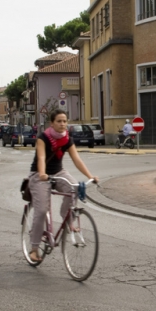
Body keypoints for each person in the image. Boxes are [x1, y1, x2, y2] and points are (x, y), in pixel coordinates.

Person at [27, 109, 98, 263]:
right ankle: (34, 249)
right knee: (41, 210)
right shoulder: (43, 138)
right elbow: (41, 157)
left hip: (58, 172)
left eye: (65, 121)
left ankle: (67, 220)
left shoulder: (67, 139)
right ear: (52, 123)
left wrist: (90, 176)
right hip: (39, 175)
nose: (62, 124)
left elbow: (77, 160)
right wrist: (42, 174)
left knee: (74, 188)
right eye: (59, 121)